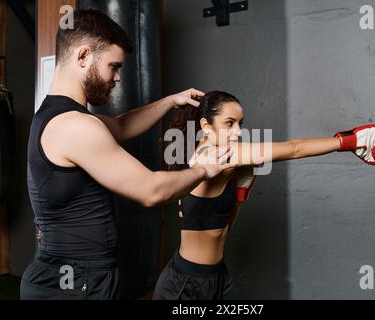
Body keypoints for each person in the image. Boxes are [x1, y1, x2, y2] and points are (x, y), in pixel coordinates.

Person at [20, 9, 233, 300]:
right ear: (83, 56)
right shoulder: (75, 126)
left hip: (72, 276)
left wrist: (171, 101)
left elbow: (120, 126)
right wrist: (204, 170)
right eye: (114, 66)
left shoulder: (57, 115)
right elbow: (151, 190)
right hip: (74, 282)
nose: (118, 77)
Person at [152, 90, 375, 300]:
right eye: (229, 123)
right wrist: (349, 141)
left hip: (218, 277)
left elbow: (221, 229)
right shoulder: (215, 156)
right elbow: (294, 148)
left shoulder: (217, 158)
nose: (237, 132)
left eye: (240, 124)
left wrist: (238, 194)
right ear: (206, 126)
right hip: (186, 284)